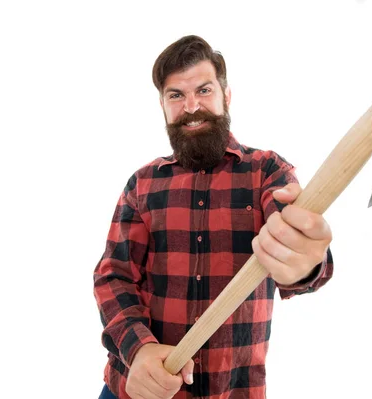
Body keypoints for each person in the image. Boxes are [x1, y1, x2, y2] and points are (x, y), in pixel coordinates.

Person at [93, 35, 334, 399]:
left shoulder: (267, 172)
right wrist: (138, 350)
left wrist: (303, 261)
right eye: (176, 95)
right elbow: (114, 276)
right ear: (163, 106)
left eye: (203, 90)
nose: (191, 107)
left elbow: (292, 235)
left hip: (232, 390)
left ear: (226, 96)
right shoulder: (142, 185)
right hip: (137, 388)